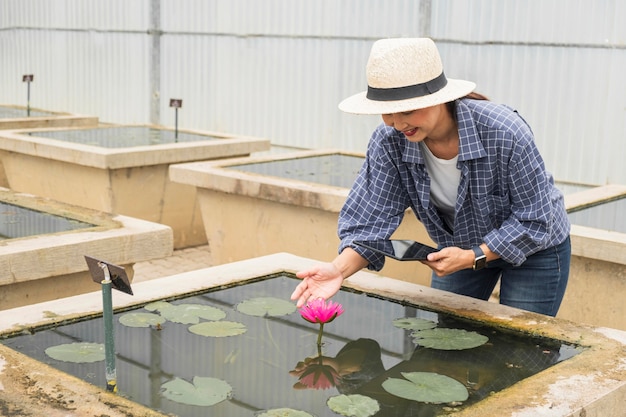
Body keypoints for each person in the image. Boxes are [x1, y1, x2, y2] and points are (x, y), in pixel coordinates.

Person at [291, 37, 571, 317]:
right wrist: (337, 270)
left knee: (521, 344)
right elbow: (370, 222)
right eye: (386, 113)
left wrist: (475, 256)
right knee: (446, 341)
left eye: (408, 110)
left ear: (439, 100)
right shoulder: (389, 141)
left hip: (535, 249)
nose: (398, 123)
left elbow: (535, 219)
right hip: (458, 249)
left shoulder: (504, 132)